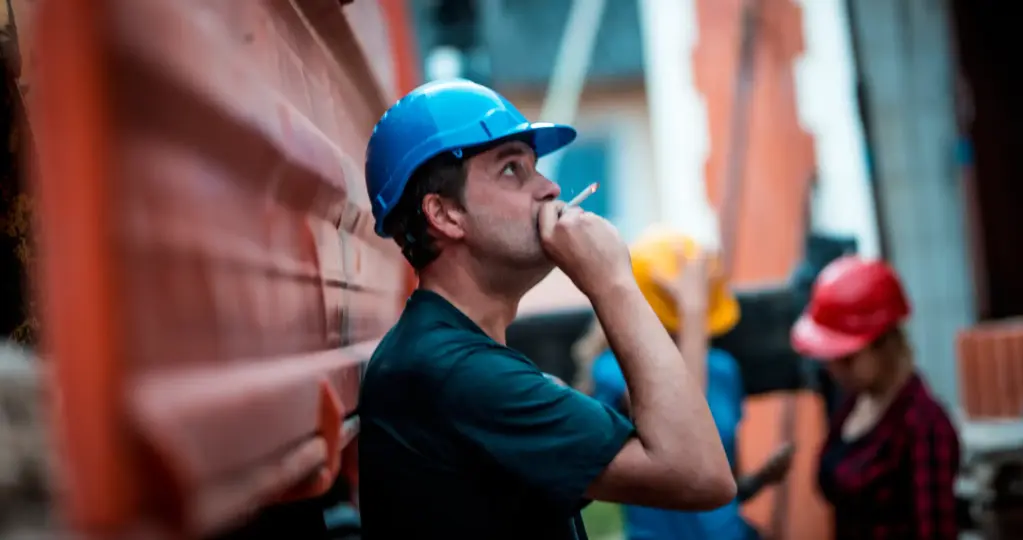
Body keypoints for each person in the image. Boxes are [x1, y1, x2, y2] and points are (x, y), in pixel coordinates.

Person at [356, 79, 735, 539]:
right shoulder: (454, 373)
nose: (550, 188)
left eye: (535, 166)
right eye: (512, 170)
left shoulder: (453, 360)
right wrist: (613, 282)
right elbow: (699, 473)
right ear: (445, 214)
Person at [586, 228, 794, 540]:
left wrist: (759, 480)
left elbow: (716, 482)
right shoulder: (615, 370)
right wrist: (693, 312)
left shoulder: (723, 369)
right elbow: (682, 424)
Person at [790, 255, 961, 539]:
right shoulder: (855, 404)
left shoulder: (922, 425)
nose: (833, 370)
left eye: (846, 359)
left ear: (884, 344)